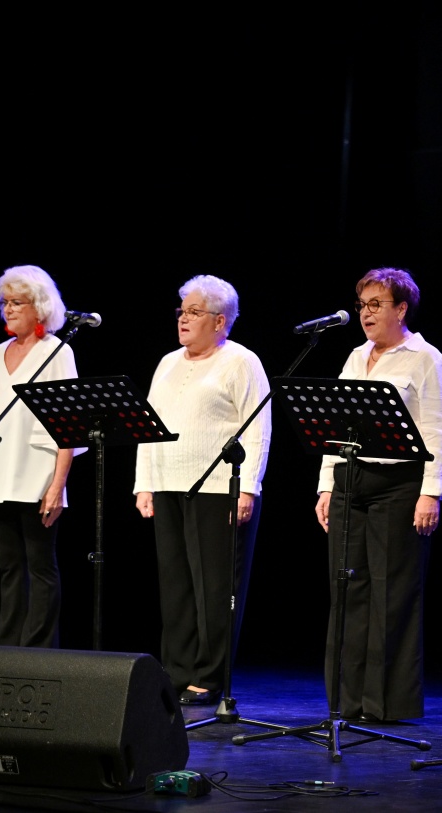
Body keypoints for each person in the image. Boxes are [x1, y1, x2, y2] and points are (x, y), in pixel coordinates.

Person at [314, 267, 442, 722]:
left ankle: (385, 705)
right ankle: (346, 701)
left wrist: (431, 493)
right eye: (362, 305)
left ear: (402, 309)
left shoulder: (426, 359)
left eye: (376, 304)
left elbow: (439, 430)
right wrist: (327, 483)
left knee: (391, 594)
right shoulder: (356, 357)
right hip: (350, 481)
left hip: (399, 487)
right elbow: (336, 427)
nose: (366, 313)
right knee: (348, 589)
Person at [133, 275, 271, 706]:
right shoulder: (167, 362)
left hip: (216, 488)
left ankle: (209, 676)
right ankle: (175, 671)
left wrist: (247, 488)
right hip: (167, 483)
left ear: (220, 321)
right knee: (175, 586)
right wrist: (144, 483)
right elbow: (147, 426)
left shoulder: (241, 362)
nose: (183, 319)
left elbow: (258, 430)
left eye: (194, 312)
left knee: (214, 588)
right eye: (182, 311)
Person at [0, 265, 84, 648]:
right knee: (9, 568)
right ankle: (7, 650)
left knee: (40, 566)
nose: (8, 309)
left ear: (39, 306)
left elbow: (69, 425)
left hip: (38, 474)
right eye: (5, 302)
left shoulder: (57, 352)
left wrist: (58, 485)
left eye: (17, 302)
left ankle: (37, 653)